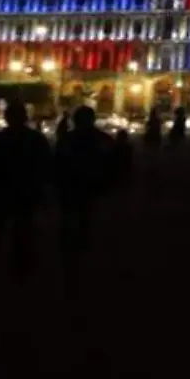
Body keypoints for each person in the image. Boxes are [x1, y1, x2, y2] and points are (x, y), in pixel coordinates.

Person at [0, 101, 53, 277]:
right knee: (22, 228)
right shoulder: (36, 140)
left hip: (0, 189)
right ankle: (20, 264)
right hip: (25, 190)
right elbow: (47, 166)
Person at [52, 105, 117, 287]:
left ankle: (69, 244)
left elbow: (57, 162)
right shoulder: (102, 139)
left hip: (71, 185)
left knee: (71, 213)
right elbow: (112, 162)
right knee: (84, 212)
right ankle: (81, 241)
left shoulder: (68, 139)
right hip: (88, 184)